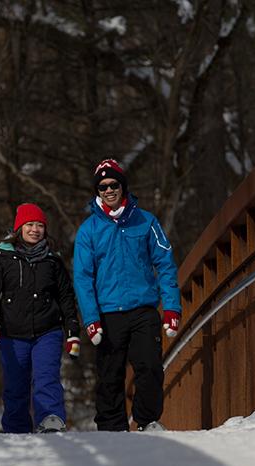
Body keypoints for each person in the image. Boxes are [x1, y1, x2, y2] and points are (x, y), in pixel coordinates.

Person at [72, 158, 181, 432]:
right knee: (110, 374)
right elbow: (83, 278)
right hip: (108, 314)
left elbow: (165, 264)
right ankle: (111, 429)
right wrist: (90, 318)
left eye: (113, 185)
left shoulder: (146, 221)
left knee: (150, 367)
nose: (109, 191)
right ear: (97, 192)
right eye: (102, 187)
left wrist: (171, 308)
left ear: (123, 186)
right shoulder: (88, 230)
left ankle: (147, 421)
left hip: (143, 309)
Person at [0, 203, 81, 433]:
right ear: (19, 228)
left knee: (47, 378)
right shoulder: (2, 258)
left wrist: (73, 331)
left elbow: (66, 297)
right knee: (15, 385)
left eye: (40, 225)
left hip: (48, 331)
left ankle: (51, 420)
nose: (35, 230)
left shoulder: (53, 261)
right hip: (12, 334)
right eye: (30, 225)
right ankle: (16, 430)